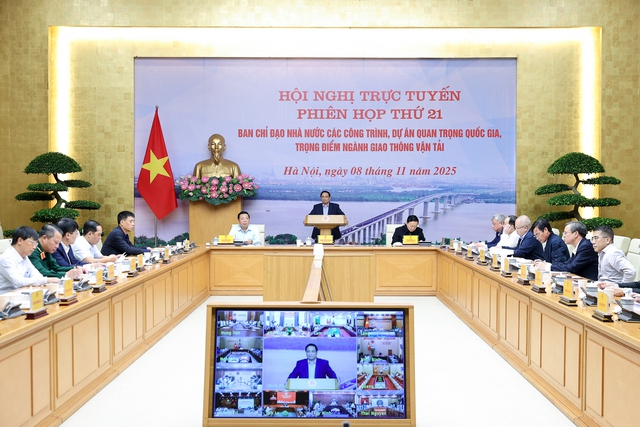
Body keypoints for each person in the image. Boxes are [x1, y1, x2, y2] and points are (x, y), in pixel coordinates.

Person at [0, 226, 59, 293]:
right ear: (20, 241)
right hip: (6, 296)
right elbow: (19, 282)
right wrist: (46, 280)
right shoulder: (6, 258)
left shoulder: (25, 257)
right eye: (32, 243)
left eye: (36, 244)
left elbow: (37, 275)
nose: (34, 247)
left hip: (22, 293)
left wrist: (43, 280)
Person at [589, 226, 636, 291]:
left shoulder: (613, 253)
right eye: (592, 238)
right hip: (602, 288)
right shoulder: (602, 252)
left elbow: (631, 271)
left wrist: (621, 288)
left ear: (607, 240)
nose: (593, 242)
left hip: (611, 291)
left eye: (596, 238)